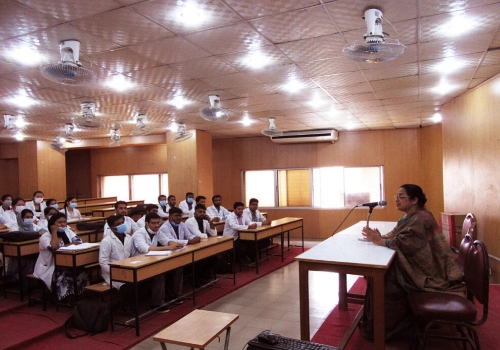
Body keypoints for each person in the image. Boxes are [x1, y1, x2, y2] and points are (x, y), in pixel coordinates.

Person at [360, 184, 465, 340]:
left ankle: (390, 329)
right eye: (396, 196)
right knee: (379, 275)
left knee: (385, 280)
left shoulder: (421, 218)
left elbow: (405, 244)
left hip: (429, 270)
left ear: (414, 200)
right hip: (418, 263)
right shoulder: (409, 215)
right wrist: (380, 237)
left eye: (401, 196)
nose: (396, 199)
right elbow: (396, 233)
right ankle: (377, 323)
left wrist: (381, 241)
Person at [132, 213, 184, 311]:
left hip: (152, 260)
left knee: (178, 266)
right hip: (139, 263)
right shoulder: (139, 234)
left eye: (158, 223)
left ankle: (175, 295)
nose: (156, 225)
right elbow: (145, 249)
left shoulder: (157, 231)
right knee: (159, 272)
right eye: (153, 223)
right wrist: (168, 247)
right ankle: (157, 304)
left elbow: (166, 240)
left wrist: (174, 243)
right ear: (147, 223)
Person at [33, 213, 89, 300]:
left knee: (82, 269)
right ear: (52, 224)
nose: (62, 224)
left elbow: (78, 241)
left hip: (67, 262)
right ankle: (65, 297)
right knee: (65, 274)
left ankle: (79, 294)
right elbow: (55, 248)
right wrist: (54, 232)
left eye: (64, 222)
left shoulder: (67, 232)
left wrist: (67, 245)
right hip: (50, 266)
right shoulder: (45, 237)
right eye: (59, 222)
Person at [159, 207, 200, 301]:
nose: (179, 218)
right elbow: (171, 241)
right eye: (176, 216)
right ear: (170, 216)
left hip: (180, 251)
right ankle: (174, 294)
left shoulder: (182, 224)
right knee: (177, 269)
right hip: (169, 253)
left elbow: (189, 235)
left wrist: (195, 238)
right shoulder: (164, 227)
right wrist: (189, 241)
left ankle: (177, 293)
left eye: (180, 216)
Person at [98, 214, 135, 314]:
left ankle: (133, 305)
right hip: (111, 272)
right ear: (112, 228)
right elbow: (103, 262)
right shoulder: (106, 241)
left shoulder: (129, 238)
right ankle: (125, 307)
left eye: (122, 222)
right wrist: (117, 272)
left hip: (127, 268)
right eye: (119, 224)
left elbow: (131, 255)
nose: (122, 225)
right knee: (127, 285)